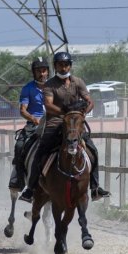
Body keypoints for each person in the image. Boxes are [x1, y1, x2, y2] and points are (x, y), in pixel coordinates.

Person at [19, 51, 111, 203]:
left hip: (74, 126)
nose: (63, 68)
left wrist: (82, 114)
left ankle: (95, 187)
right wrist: (65, 113)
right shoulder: (49, 85)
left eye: (66, 65)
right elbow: (48, 105)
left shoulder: (78, 82)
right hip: (54, 123)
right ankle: (30, 188)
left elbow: (90, 101)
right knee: (40, 152)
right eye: (60, 65)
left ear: (70, 66)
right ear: (55, 67)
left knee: (92, 150)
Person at [9, 57, 49, 189]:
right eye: (38, 71)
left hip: (53, 122)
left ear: (48, 72)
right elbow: (22, 110)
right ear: (34, 72)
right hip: (34, 123)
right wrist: (33, 119)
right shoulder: (28, 88)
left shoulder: (54, 86)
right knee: (20, 145)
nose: (42, 74)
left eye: (44, 70)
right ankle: (18, 178)